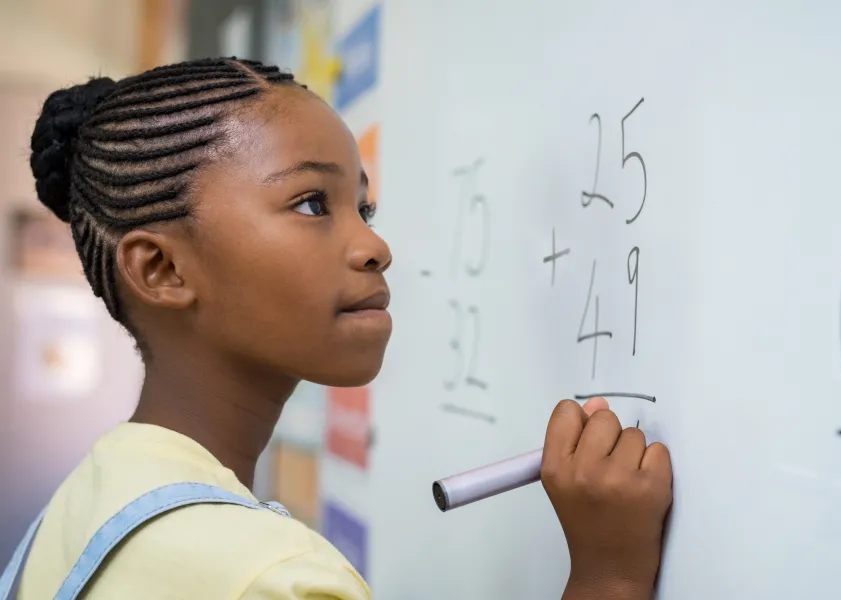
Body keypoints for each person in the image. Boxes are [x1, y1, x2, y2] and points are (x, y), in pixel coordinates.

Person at [1, 57, 673, 600]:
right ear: (163, 269)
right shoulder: (266, 579)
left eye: (365, 208)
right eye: (312, 203)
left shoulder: (88, 503)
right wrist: (607, 576)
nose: (375, 247)